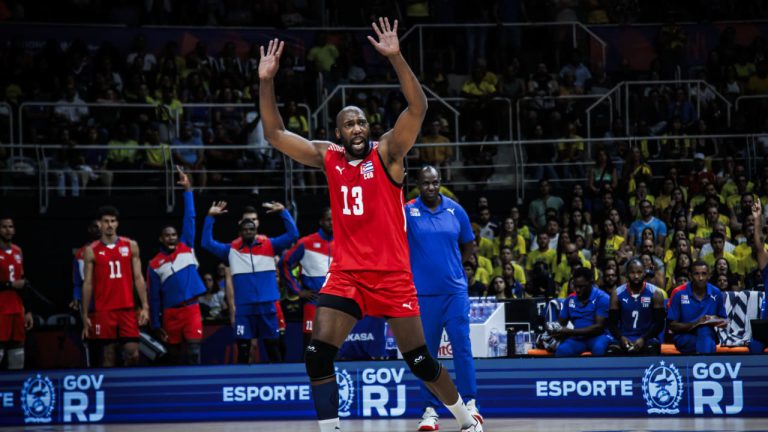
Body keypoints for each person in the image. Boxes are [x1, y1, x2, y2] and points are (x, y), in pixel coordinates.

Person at [258, 18, 483, 432]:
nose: (357, 128)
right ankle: (331, 430)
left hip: (393, 275)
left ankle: (467, 420)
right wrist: (266, 81)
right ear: (338, 132)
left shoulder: (389, 154)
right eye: (349, 124)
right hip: (347, 274)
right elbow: (274, 133)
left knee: (420, 361)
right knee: (317, 354)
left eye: (362, 121)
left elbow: (419, 109)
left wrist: (396, 57)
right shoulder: (328, 157)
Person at [405, 166, 483, 431]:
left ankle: (470, 404)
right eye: (425, 183)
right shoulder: (407, 211)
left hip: (455, 292)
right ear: (417, 184)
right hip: (423, 295)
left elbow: (469, 243)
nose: (431, 187)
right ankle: (429, 411)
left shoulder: (455, 210)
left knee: (462, 347)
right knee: (425, 354)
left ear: (441, 183)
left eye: (435, 182)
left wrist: (456, 267)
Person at [202, 200, 298, 364]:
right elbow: (206, 243)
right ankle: (243, 383)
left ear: (255, 230)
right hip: (244, 309)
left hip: (267, 307)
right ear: (240, 231)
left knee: (273, 347)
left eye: (251, 229)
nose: (248, 232)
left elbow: (293, 235)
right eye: (245, 229)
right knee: (244, 349)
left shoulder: (270, 245)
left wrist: (283, 212)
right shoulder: (230, 250)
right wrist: (210, 217)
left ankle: (277, 382)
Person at [147, 168, 207, 364]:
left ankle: (196, 389)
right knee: (172, 356)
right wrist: (155, 324)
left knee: (194, 352)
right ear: (161, 239)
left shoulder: (185, 246)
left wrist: (188, 190)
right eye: (167, 235)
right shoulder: (154, 264)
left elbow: (189, 218)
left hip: (191, 309)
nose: (171, 238)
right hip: (170, 313)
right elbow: (154, 296)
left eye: (174, 234)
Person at [81, 206, 149, 367]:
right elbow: (88, 283)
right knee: (108, 357)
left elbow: (138, 278)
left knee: (133, 354)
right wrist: (84, 315)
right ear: (99, 224)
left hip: (127, 308)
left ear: (117, 223)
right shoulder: (91, 250)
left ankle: (126, 386)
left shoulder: (131, 245)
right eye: (106, 221)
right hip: (104, 310)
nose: (109, 225)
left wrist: (145, 306)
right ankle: (111, 391)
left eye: (113, 221)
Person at [280, 208, 333, 349]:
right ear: (321, 221)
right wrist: (297, 291)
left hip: (335, 303)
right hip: (313, 301)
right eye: (328, 219)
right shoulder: (306, 243)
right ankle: (306, 371)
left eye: (334, 219)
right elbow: (284, 263)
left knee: (332, 344)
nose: (332, 223)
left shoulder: (342, 243)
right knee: (310, 344)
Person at [606, 259, 666, 356]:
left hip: (647, 338)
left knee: (652, 351)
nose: (636, 276)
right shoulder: (617, 293)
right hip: (624, 338)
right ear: (626, 274)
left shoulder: (655, 293)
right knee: (611, 352)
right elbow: (612, 323)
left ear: (644, 273)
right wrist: (620, 338)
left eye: (639, 272)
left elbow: (659, 323)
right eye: (632, 273)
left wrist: (644, 339)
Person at [667, 261, 727, 354]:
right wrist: (696, 323)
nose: (700, 278)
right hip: (684, 337)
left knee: (704, 331)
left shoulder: (716, 292)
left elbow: (724, 321)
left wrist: (711, 320)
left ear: (709, 276)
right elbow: (672, 325)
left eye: (704, 274)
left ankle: (701, 364)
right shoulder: (679, 293)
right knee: (707, 340)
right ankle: (707, 365)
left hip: (707, 335)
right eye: (696, 274)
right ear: (690, 276)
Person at [551, 267, 611, 357]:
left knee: (598, 349)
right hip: (578, 339)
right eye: (575, 286)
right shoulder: (570, 300)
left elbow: (599, 327)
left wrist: (570, 332)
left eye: (581, 287)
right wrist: (552, 328)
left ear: (590, 283)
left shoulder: (602, 298)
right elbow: (560, 323)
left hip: (598, 337)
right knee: (562, 351)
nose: (577, 290)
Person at [0, 217, 33, 370]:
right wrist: (9, 284)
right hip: (1, 309)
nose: (8, 230)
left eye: (11, 226)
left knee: (18, 351)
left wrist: (28, 311)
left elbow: (23, 282)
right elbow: (15, 282)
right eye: (4, 227)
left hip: (17, 309)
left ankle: (15, 388)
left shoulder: (18, 251)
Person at [749, 200, 768, 353]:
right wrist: (757, 219)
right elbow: (758, 246)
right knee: (754, 346)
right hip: (766, 328)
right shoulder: (767, 269)